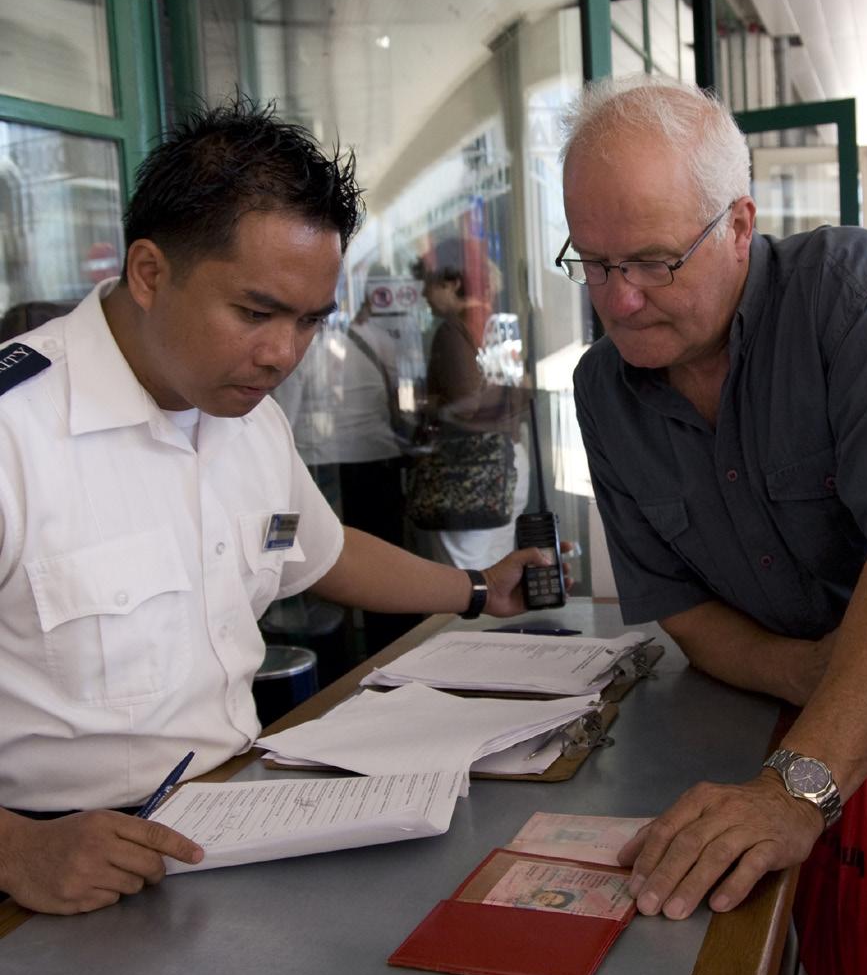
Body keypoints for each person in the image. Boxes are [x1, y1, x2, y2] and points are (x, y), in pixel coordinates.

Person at [0, 98, 560, 916]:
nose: (281, 355)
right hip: (55, 879)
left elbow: (322, 552)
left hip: (229, 826)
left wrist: (480, 593)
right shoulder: (18, 432)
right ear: (150, 273)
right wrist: (18, 850)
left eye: (307, 321)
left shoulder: (247, 421)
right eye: (255, 313)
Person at [562, 73, 867, 975]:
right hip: (808, 745)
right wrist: (815, 674)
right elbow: (685, 613)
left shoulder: (846, 296)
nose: (618, 299)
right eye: (594, 262)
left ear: (739, 224)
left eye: (652, 260)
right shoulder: (600, 390)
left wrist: (800, 783)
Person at [275, 269, 420, 653]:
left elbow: (279, 424)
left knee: (329, 571)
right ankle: (396, 658)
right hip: (379, 461)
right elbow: (397, 400)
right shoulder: (377, 341)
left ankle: (342, 660)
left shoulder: (300, 349)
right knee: (384, 573)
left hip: (327, 469)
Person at [411, 237, 530, 569]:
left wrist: (425, 404)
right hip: (510, 460)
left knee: (462, 587)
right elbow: (521, 390)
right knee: (498, 579)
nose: (423, 295)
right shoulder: (497, 324)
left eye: (427, 284)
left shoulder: (452, 331)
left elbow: (465, 404)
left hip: (468, 471)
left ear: (452, 282)